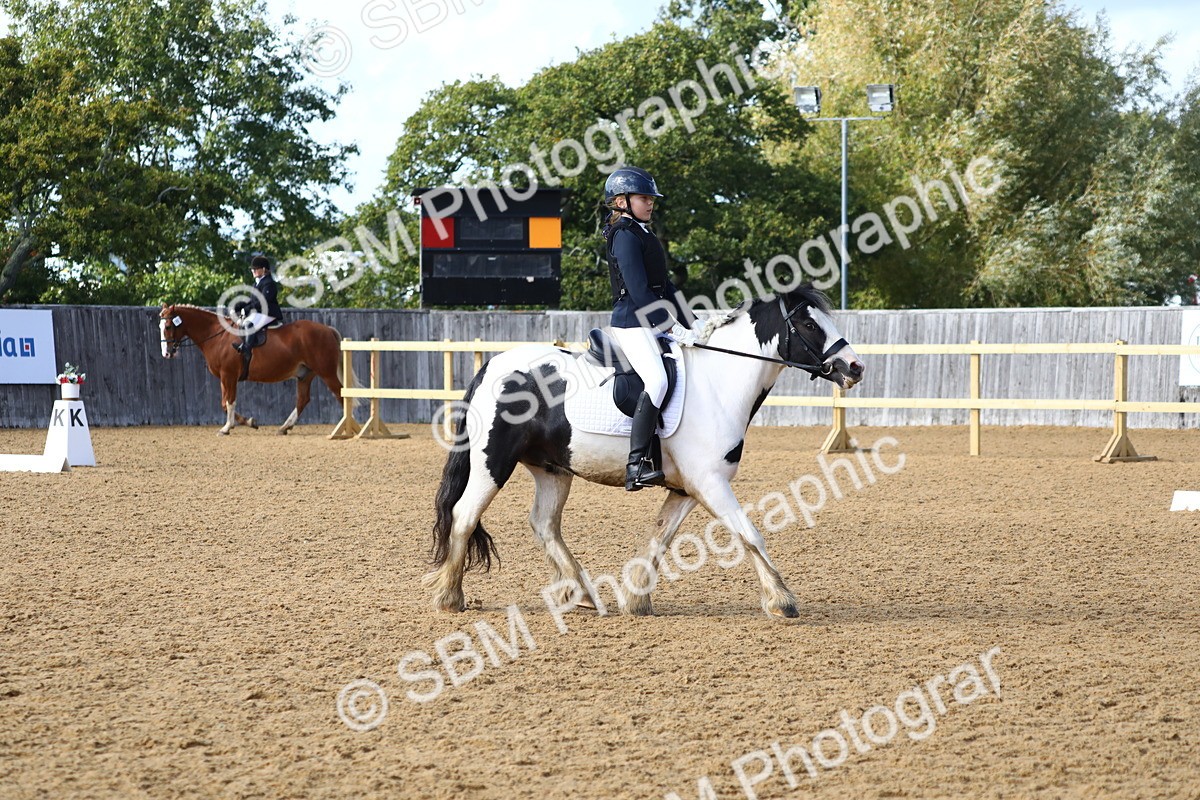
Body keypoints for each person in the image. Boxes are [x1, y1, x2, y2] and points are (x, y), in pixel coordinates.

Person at [603, 166, 703, 491]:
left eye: (651, 198)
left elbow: (667, 286)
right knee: (657, 381)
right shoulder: (624, 236)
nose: (650, 203)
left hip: (648, 320)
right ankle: (636, 465)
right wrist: (671, 326)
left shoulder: (644, 234)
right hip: (632, 322)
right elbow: (639, 290)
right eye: (644, 197)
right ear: (622, 201)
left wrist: (696, 323)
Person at [232, 255, 283, 354]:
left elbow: (262, 302)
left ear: (264, 270)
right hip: (260, 313)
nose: (253, 271)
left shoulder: (269, 283)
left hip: (269, 314)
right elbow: (252, 301)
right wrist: (237, 306)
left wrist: (246, 310)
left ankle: (246, 348)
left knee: (248, 323)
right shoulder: (256, 284)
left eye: (255, 269)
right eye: (252, 269)